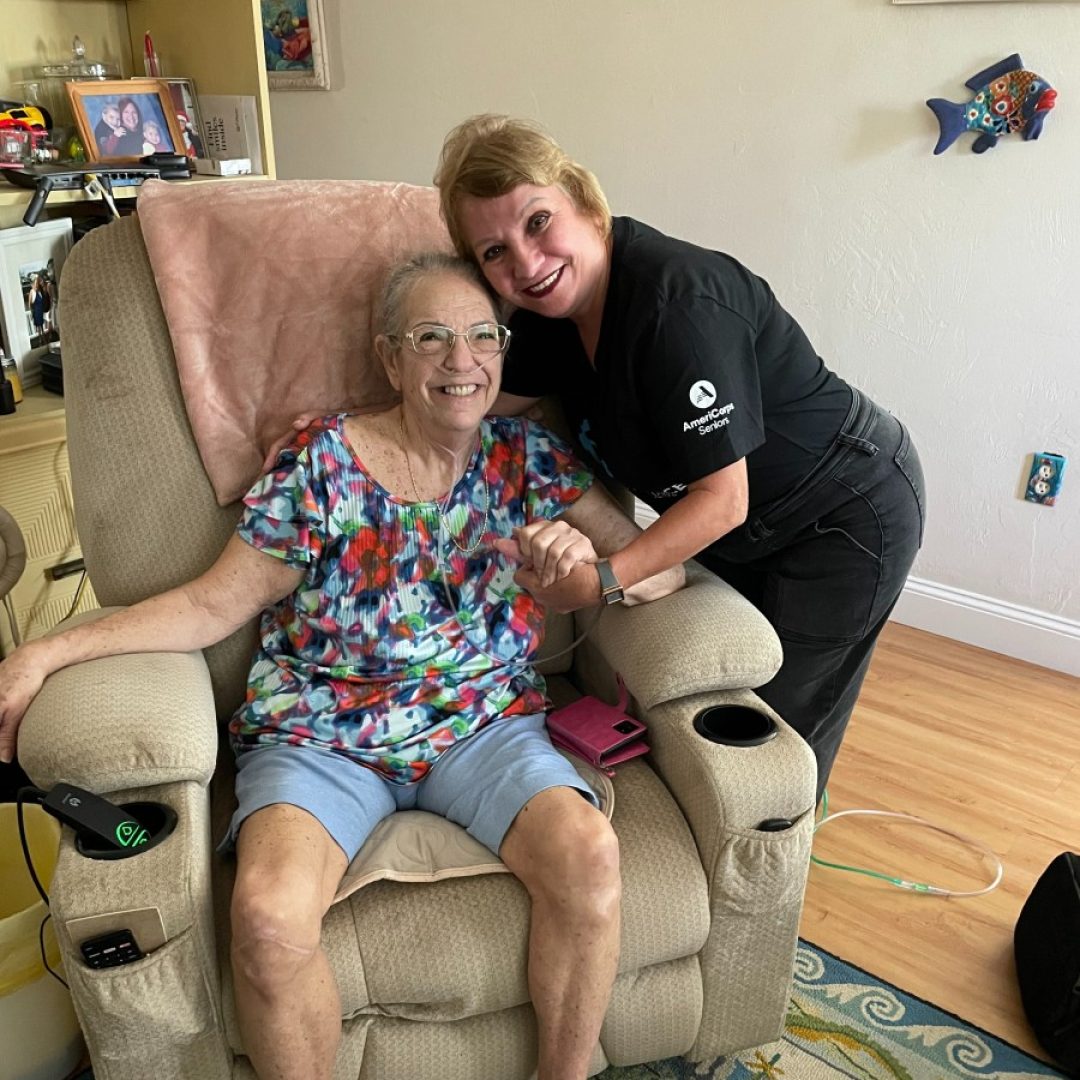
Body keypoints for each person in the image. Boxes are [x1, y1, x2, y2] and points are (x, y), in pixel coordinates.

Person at [0, 252, 683, 1080]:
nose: (461, 360)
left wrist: (594, 565)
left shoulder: (526, 458)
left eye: (481, 336)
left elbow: (665, 570)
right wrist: (44, 651)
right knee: (266, 919)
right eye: (431, 337)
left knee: (590, 856)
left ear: (504, 352)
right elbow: (215, 604)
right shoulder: (321, 462)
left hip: (485, 727)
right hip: (320, 737)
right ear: (390, 356)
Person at [431, 114, 926, 802]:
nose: (525, 263)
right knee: (713, 714)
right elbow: (471, 407)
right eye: (493, 252)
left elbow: (724, 498)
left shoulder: (677, 304)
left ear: (585, 202)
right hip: (736, 524)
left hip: (841, 508)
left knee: (769, 734)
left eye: (538, 222)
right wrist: (352, 431)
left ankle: (772, 882)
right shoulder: (549, 317)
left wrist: (602, 580)